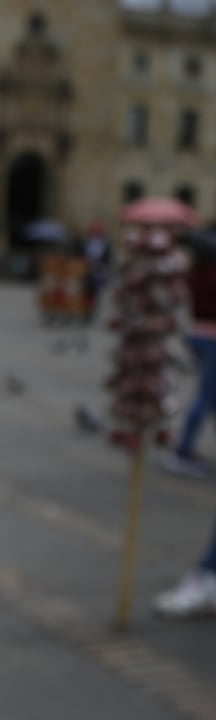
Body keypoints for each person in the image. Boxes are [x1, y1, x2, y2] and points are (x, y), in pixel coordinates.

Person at [155, 231, 216, 618]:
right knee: (203, 400)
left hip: (199, 336)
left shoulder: (195, 273)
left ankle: (208, 576)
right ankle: (208, 575)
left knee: (202, 400)